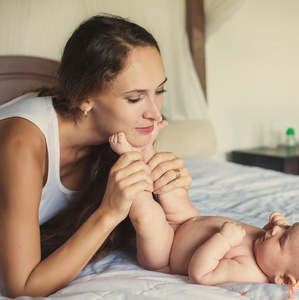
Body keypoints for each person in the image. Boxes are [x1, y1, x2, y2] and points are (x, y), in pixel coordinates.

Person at [0, 14, 193, 297]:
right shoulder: (22, 144)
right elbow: (21, 288)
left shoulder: (120, 136)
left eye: (160, 90)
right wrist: (108, 212)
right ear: (85, 98)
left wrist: (175, 195)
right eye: (135, 98)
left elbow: (164, 245)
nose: (155, 112)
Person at [109, 133, 299, 288]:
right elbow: (277, 238)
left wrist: (223, 239)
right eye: (287, 228)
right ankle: (145, 145)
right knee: (174, 190)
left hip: (166, 252)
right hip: (186, 219)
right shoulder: (265, 247)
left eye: (282, 239)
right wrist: (277, 227)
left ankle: (130, 160)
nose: (276, 230)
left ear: (283, 279)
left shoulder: (250, 270)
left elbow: (201, 274)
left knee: (148, 216)